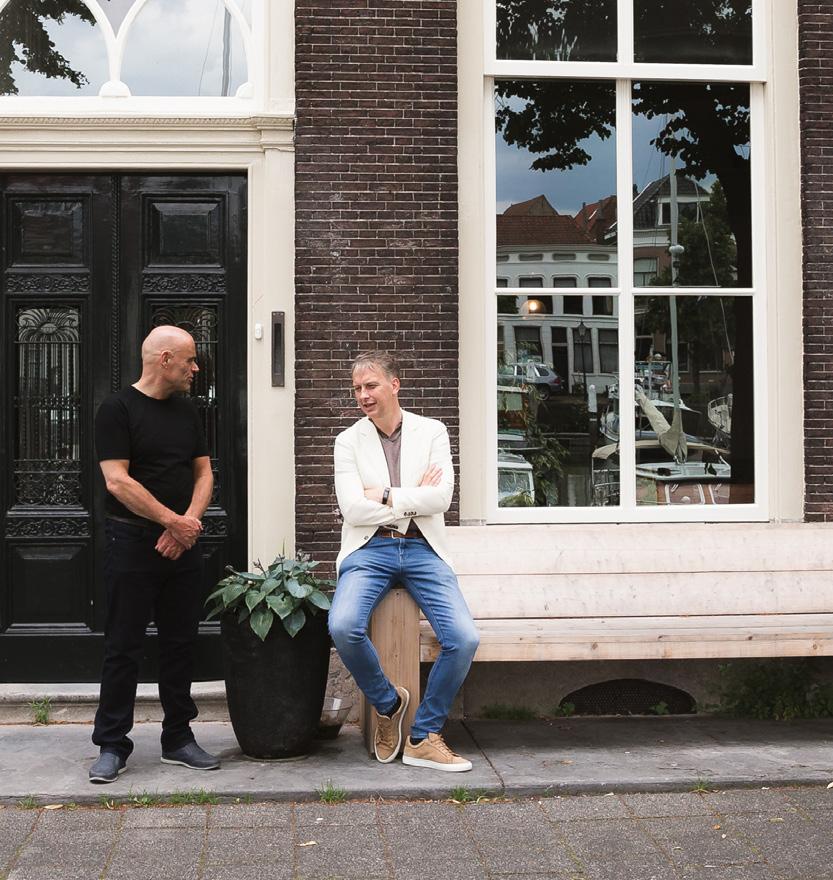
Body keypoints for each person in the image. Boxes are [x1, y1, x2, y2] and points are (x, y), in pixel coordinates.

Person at [329, 351, 480, 771]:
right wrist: (412, 499)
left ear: (394, 385)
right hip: (369, 550)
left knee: (464, 638)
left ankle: (423, 736)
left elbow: (442, 498)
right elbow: (352, 510)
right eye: (357, 389)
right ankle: (388, 704)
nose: (363, 395)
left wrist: (383, 495)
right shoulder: (347, 441)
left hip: (423, 548)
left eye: (371, 385)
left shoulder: (432, 432)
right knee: (343, 626)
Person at [88, 325, 219, 783]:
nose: (195, 368)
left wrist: (187, 526)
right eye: (190, 359)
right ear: (165, 359)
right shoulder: (116, 409)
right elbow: (117, 481)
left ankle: (178, 739)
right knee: (122, 645)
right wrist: (172, 522)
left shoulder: (187, 411)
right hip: (131, 543)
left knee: (180, 644)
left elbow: (204, 474)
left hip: (182, 544)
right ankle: (111, 744)